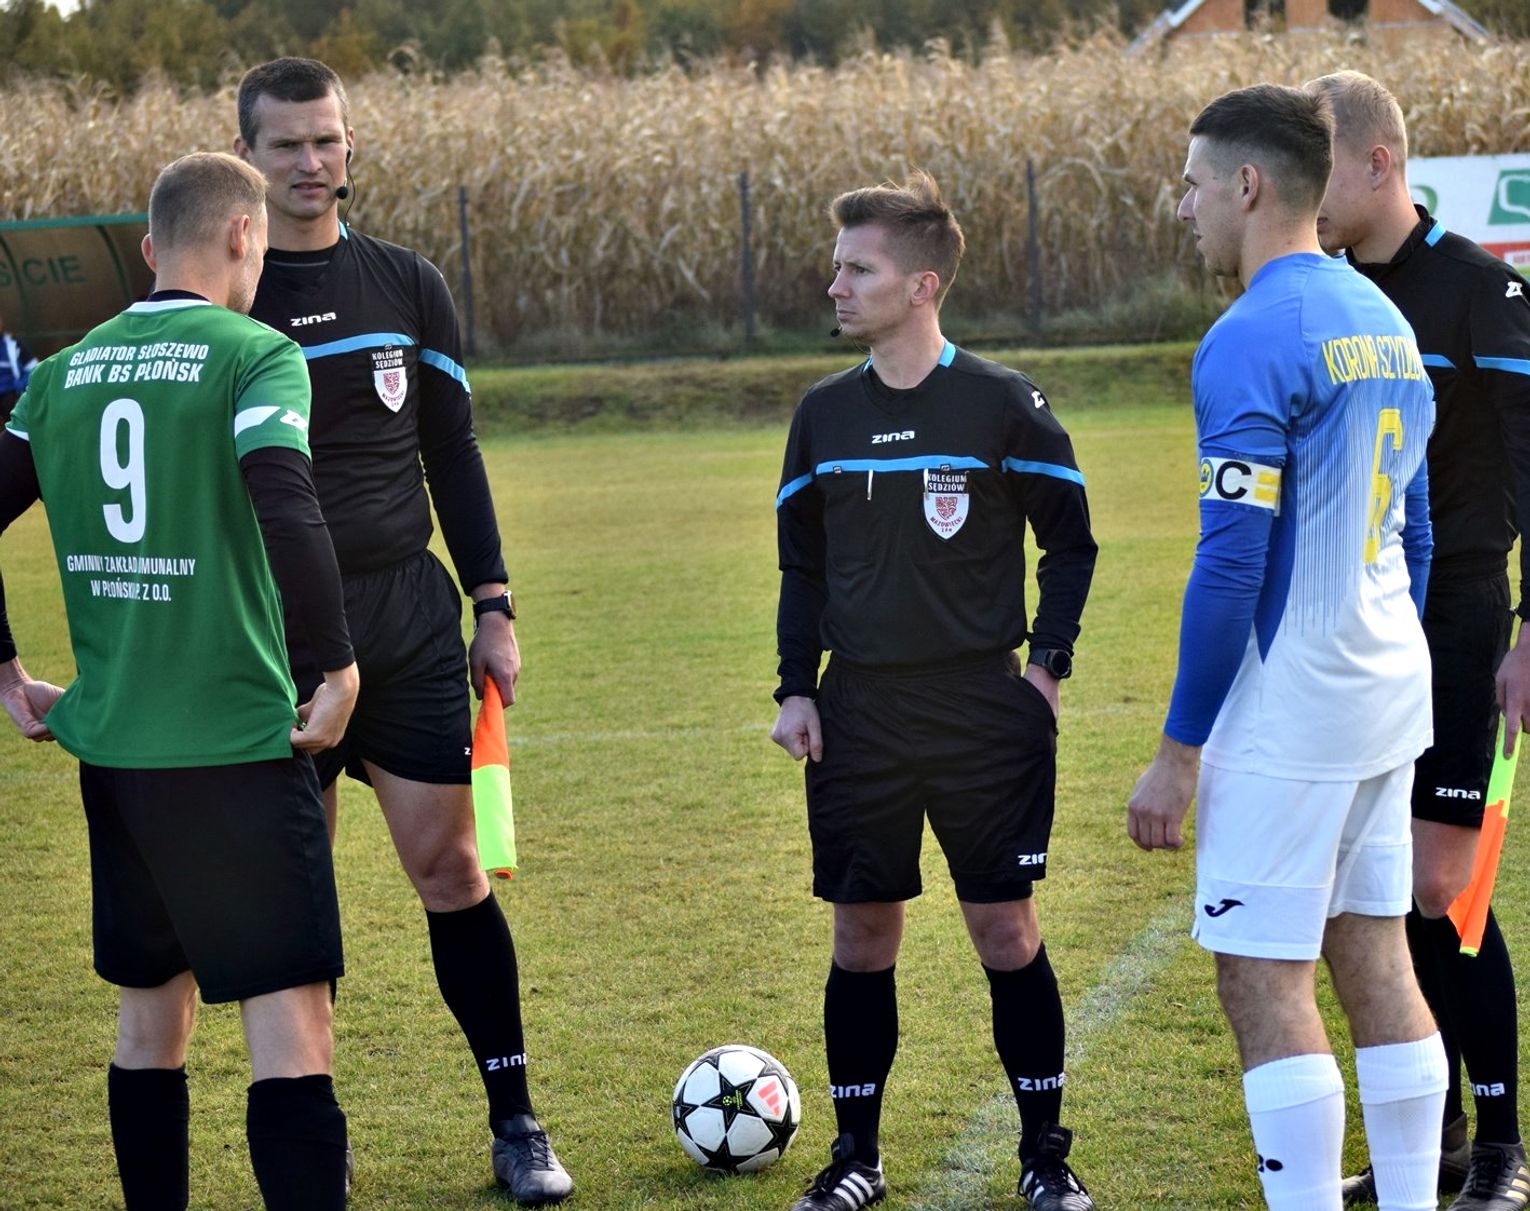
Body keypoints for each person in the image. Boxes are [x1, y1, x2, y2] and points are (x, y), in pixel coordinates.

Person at [233, 57, 571, 1205]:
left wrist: (494, 601)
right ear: (249, 157)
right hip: (276, 631)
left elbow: (452, 451)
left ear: (350, 147)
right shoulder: (227, 299)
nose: (311, 161)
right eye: (286, 143)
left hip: (410, 615)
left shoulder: (408, 281)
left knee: (453, 868)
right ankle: (315, 1140)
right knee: (298, 897)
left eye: (326, 138)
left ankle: (516, 1120)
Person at [0, 151, 359, 1209]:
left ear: (151, 247)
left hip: (117, 752)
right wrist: (339, 664)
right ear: (245, 235)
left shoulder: (62, 372)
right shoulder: (256, 354)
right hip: (235, 744)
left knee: (150, 1020)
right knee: (291, 1025)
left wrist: (6, 667)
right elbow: (287, 501)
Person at [1127, 83, 1447, 1211]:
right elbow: (1413, 531)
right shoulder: (1385, 320)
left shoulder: (1249, 337)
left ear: (1250, 185)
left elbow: (1231, 565)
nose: (1184, 207)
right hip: (1386, 686)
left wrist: (1178, 752)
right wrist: (1376, 650)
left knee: (1263, 978)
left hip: (1292, 705)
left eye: (1194, 184)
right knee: (1376, 954)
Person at [771, 170, 1099, 1211]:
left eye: (857, 269)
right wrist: (795, 689)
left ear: (921, 285)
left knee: (1006, 929)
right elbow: (802, 567)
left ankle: (1045, 1152)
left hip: (980, 709)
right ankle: (855, 1155)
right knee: (861, 935)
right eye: (838, 267)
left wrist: (1046, 669)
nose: (836, 285)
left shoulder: (1001, 402)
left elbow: (1072, 544)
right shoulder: (824, 413)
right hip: (859, 710)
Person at [1305, 69, 1530, 1211]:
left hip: (1464, 622)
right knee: (1382, 890)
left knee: (1444, 887)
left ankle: (1502, 1147)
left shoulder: (1481, 292)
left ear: (1379, 162)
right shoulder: (1333, 298)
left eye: (1320, 172)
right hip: (1362, 629)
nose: (1304, 196)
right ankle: (1431, 1137)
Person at [0, 310, 37, 422]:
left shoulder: (13, 344)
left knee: (9, 404)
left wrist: (20, 384)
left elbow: (33, 367)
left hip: (11, 394)